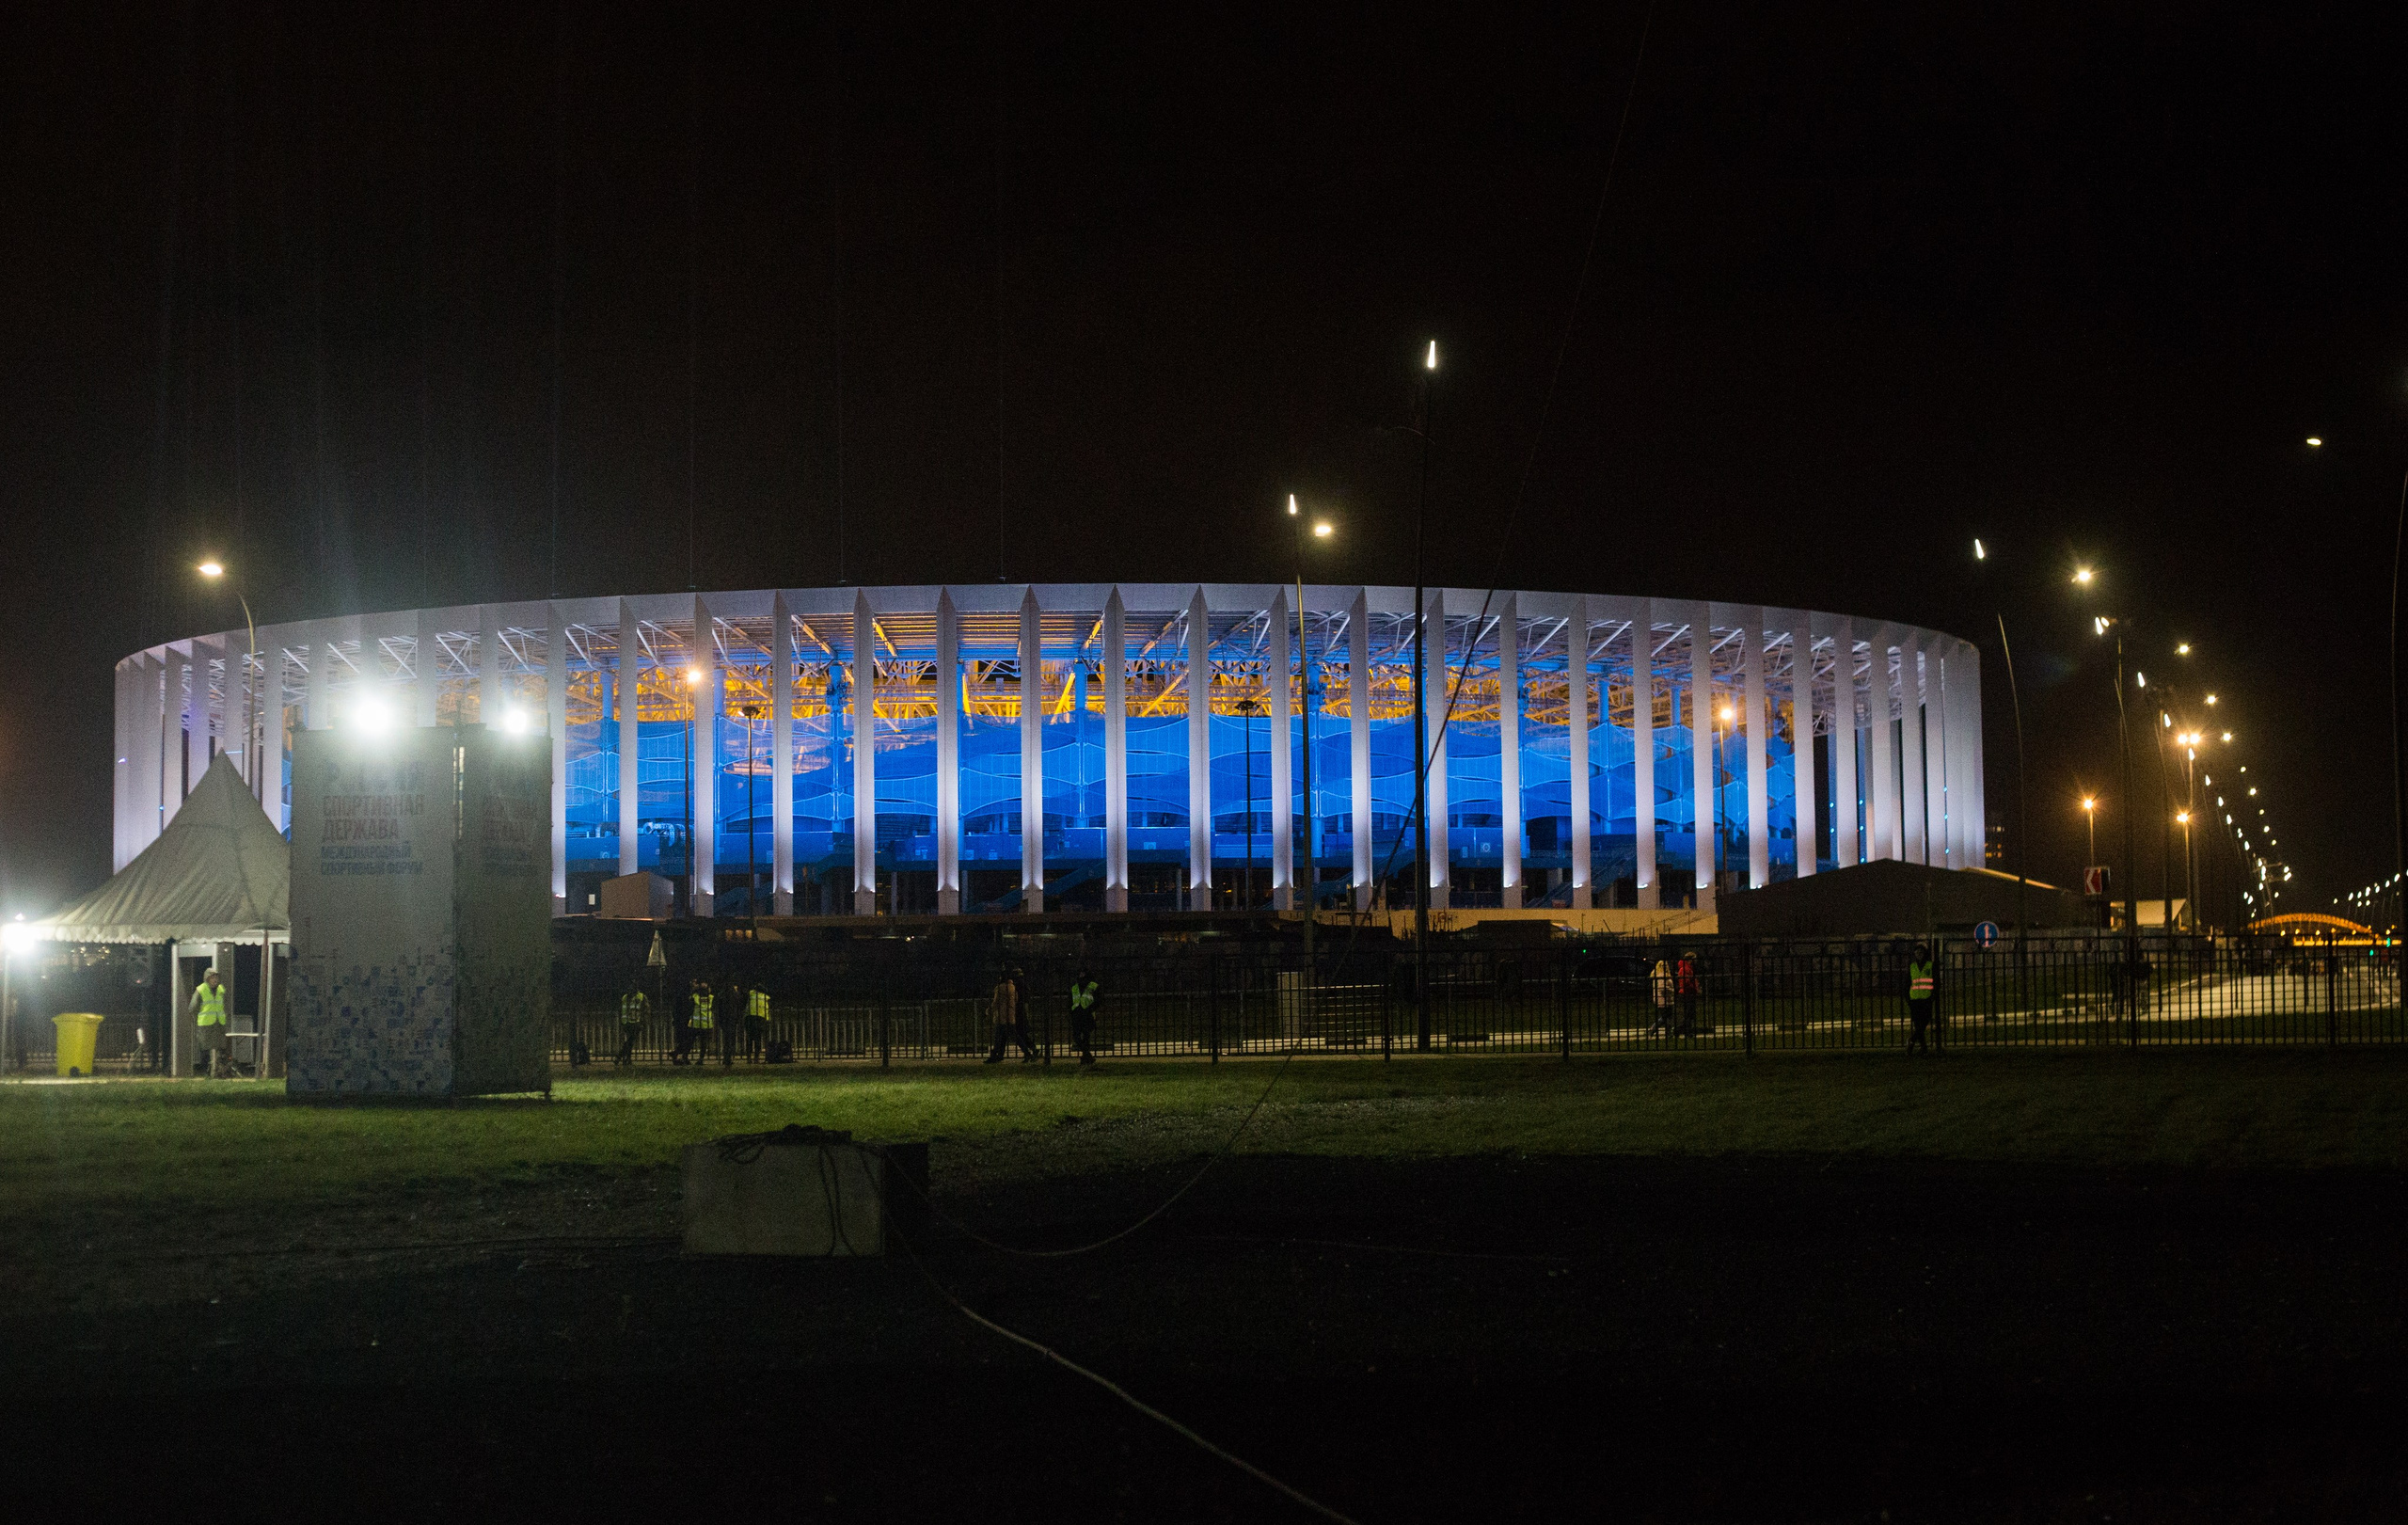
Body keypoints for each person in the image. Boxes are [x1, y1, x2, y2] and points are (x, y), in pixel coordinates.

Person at [985, 967, 1036, 1064]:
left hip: (1001, 1016)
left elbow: (996, 1002)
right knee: (1012, 1037)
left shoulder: (1000, 988)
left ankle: (995, 1056)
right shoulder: (1012, 987)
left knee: (998, 1037)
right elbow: (1016, 1000)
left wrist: (988, 1011)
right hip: (1011, 1016)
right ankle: (1025, 1053)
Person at [190, 968, 231, 1078]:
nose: (215, 980)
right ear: (207, 978)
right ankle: (206, 1072)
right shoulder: (201, 989)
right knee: (205, 1049)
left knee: (221, 1049)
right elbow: (193, 1008)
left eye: (216, 977)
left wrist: (225, 1016)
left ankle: (220, 1072)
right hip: (205, 1025)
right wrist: (198, 1018)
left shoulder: (221, 990)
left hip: (219, 1024)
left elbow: (226, 1005)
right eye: (212, 977)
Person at [1906, 944, 1938, 1053]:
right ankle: (1923, 1047)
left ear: (1924, 954)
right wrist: (1908, 998)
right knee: (1918, 1024)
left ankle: (1912, 1040)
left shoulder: (1930, 965)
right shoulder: (1912, 966)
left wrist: (1933, 995)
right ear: (1914, 954)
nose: (1919, 954)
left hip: (1926, 998)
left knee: (1924, 1021)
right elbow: (1907, 982)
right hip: (1914, 998)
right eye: (1917, 952)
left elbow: (1936, 981)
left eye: (1921, 952)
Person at [675, 978, 713, 1066]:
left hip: (695, 1024)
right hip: (706, 1023)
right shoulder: (711, 998)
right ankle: (701, 1059)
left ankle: (685, 1057)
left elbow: (688, 1008)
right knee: (703, 1042)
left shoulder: (694, 997)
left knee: (690, 1041)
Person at [1068, 968, 1101, 1066]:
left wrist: (1091, 1008)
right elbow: (1070, 1000)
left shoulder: (1092, 986)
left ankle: (1086, 1057)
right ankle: (1087, 1055)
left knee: (1084, 1036)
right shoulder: (1076, 987)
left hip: (1085, 1013)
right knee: (1080, 1036)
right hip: (1081, 1013)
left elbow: (1098, 999)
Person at [615, 984, 647, 1068]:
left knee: (630, 1041)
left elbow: (645, 1010)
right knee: (630, 1041)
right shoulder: (633, 997)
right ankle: (622, 1056)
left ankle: (624, 1058)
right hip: (632, 1022)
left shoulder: (630, 997)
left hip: (631, 1022)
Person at [1674, 952, 1702, 1037]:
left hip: (1689, 992)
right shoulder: (1684, 969)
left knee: (1690, 1013)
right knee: (1688, 1013)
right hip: (1687, 993)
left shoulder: (1688, 968)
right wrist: (1693, 985)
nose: (1696, 961)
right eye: (1694, 959)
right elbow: (1685, 982)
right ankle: (1681, 1030)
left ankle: (1683, 1030)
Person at [743, 984, 771, 1064]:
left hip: (750, 1017)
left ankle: (749, 1058)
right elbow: (766, 1009)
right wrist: (767, 1020)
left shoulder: (751, 994)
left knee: (749, 1039)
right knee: (757, 1039)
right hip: (760, 1018)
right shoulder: (765, 997)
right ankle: (756, 1058)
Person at [1647, 958, 1674, 1035]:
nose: (1665, 967)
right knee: (1665, 1017)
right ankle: (1653, 1029)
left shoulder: (1659, 974)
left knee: (1668, 1016)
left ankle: (1668, 1032)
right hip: (1663, 998)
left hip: (1664, 998)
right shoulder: (1661, 975)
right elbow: (1662, 988)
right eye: (1663, 965)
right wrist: (1672, 990)